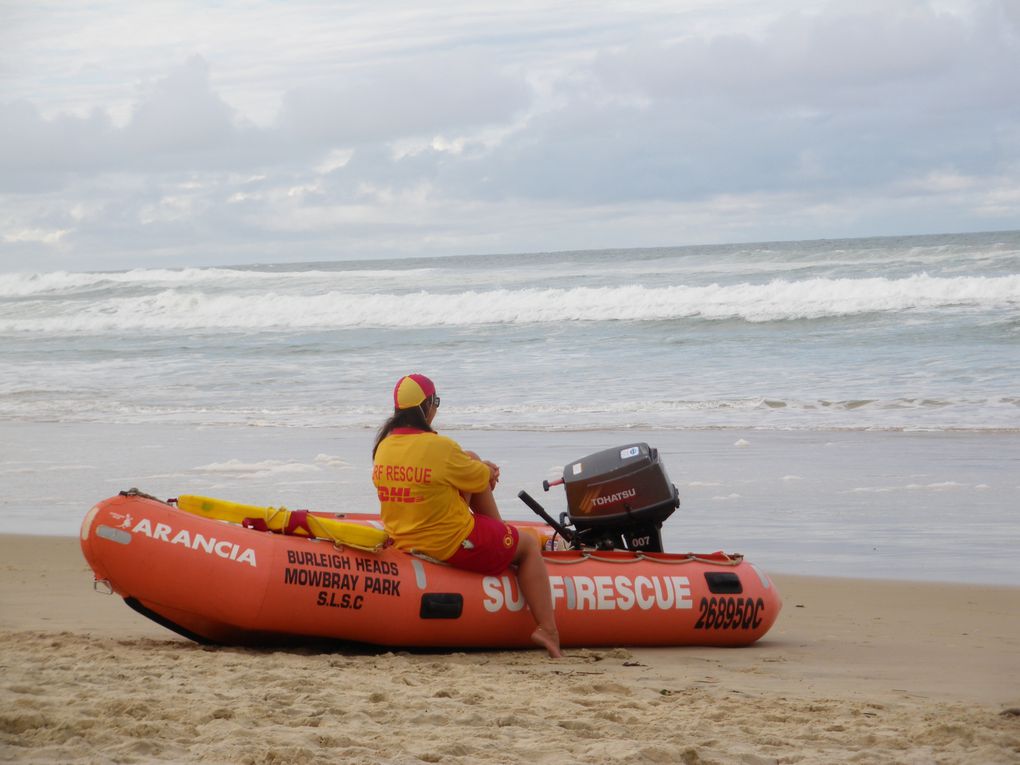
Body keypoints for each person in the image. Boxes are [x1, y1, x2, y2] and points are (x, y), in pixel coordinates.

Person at [372, 373, 562, 658]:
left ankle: (499, 532)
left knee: (470, 459)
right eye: (435, 402)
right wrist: (488, 470)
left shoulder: (384, 446)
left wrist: (477, 467)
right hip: (449, 542)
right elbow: (483, 478)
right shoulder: (440, 447)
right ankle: (548, 628)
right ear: (426, 407)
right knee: (529, 546)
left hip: (405, 535)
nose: (436, 408)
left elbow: (466, 472)